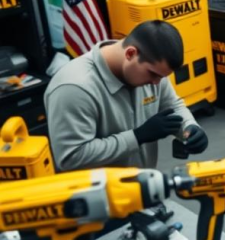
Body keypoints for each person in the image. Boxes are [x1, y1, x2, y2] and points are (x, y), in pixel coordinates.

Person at [45, 20, 208, 172]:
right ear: (130, 54)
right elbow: (71, 157)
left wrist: (189, 128)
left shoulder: (150, 71)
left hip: (141, 187)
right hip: (97, 198)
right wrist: (137, 137)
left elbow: (173, 106)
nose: (157, 83)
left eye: (162, 77)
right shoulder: (74, 88)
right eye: (153, 74)